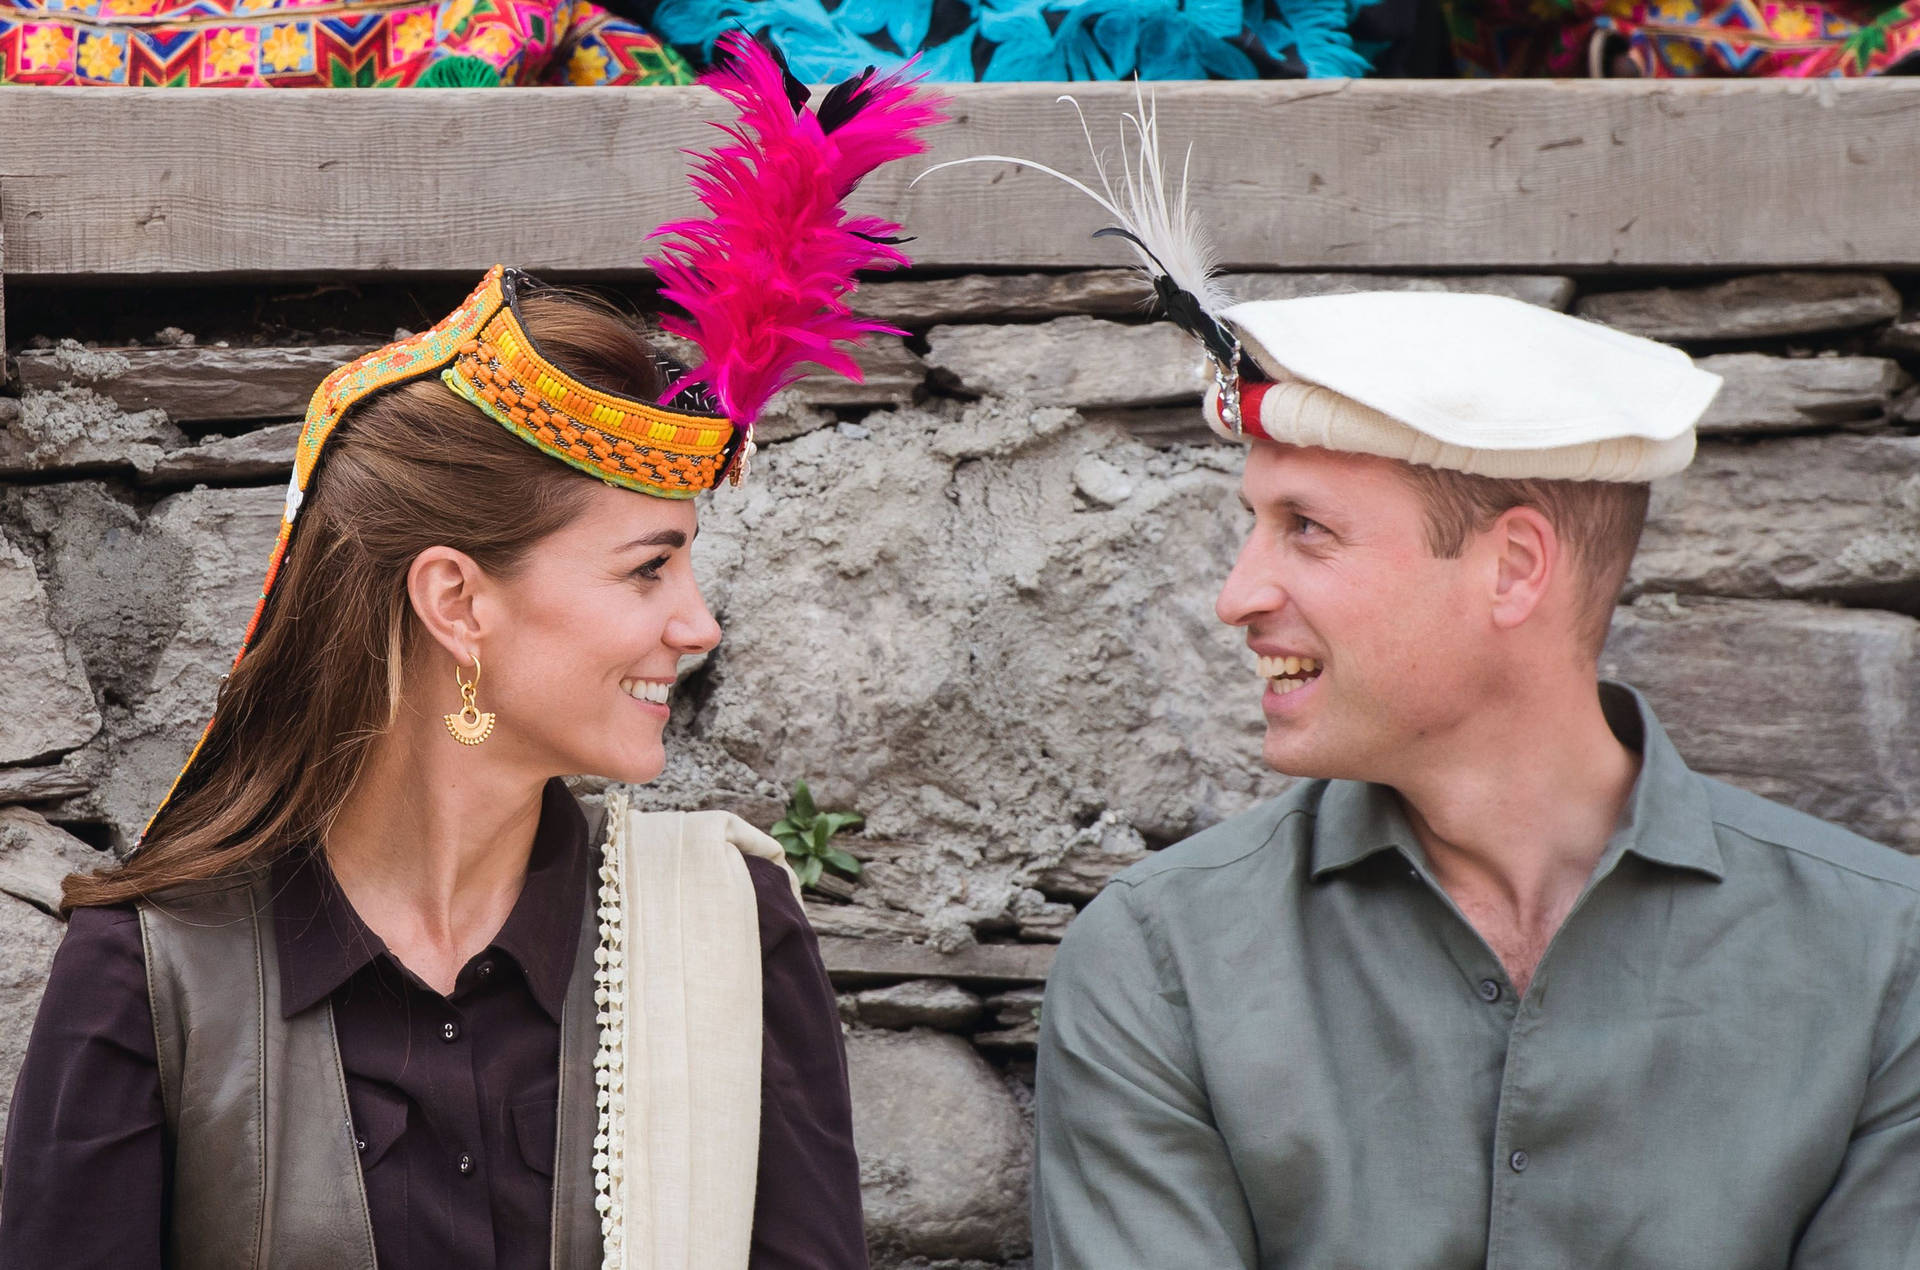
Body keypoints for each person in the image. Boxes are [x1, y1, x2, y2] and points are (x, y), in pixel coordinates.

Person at [0, 36, 941, 1269]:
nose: (699, 623)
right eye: (648, 566)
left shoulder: (723, 929)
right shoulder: (154, 977)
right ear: (456, 599)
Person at [1026, 284, 1920, 1267]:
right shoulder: (1160, 966)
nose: (1237, 594)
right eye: (1256, 521)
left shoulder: (1885, 966)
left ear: (1513, 568)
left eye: (1308, 528)